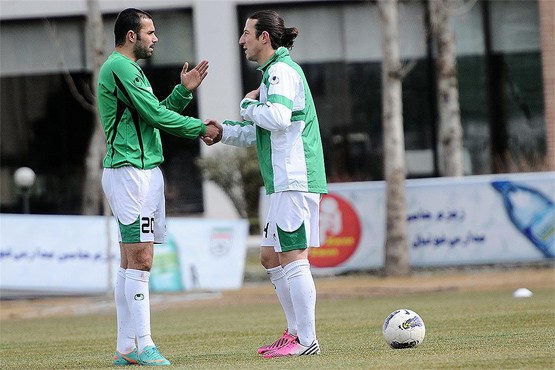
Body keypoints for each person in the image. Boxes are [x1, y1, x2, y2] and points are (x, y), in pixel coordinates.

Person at [97, 8, 220, 366]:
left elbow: (153, 115)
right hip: (129, 173)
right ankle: (144, 344)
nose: (156, 38)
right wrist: (201, 128)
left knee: (130, 261)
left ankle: (126, 348)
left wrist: (182, 93)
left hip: (142, 172)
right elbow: (155, 116)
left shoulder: (130, 71)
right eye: (150, 32)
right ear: (131, 36)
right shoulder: (119, 67)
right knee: (141, 259)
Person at [203, 9, 327, 358]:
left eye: (246, 33)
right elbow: (261, 129)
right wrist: (223, 131)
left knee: (292, 255)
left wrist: (245, 104)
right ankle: (294, 334)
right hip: (283, 181)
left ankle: (306, 341)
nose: (241, 40)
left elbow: (277, 117)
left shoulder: (281, 72)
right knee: (271, 256)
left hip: (295, 178)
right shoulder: (274, 73)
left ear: (264, 38)